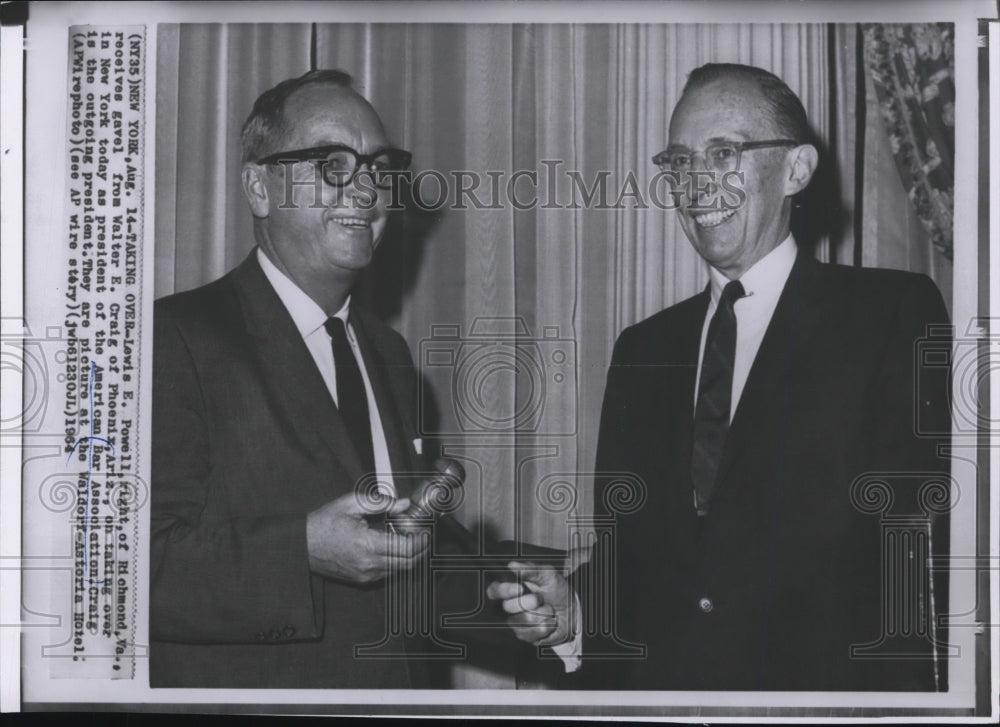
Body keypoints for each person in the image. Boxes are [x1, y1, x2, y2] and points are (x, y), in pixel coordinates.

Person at [489, 63, 952, 691]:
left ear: (796, 170)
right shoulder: (642, 350)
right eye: (679, 162)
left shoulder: (889, 314)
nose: (697, 184)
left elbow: (930, 550)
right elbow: (637, 555)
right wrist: (575, 608)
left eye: (723, 154)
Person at [150, 70, 485, 689]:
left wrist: (512, 597)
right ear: (259, 187)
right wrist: (299, 550)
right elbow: (128, 569)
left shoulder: (386, 352)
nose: (365, 190)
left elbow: (404, 553)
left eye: (379, 168)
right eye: (332, 163)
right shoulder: (172, 339)